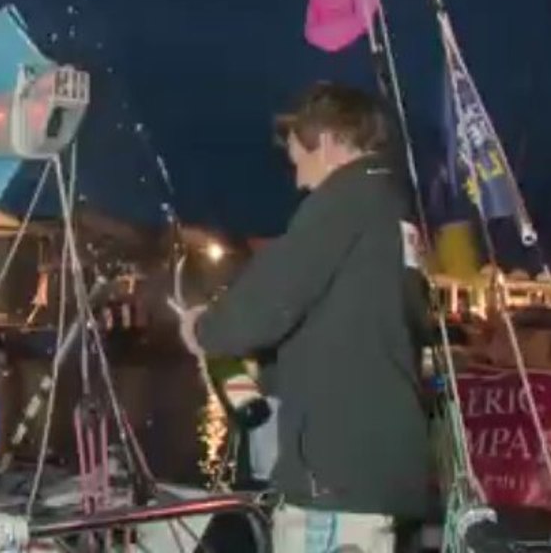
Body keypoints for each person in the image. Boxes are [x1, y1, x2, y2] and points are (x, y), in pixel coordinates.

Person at [176, 81, 432, 552]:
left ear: (331, 143)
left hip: (335, 483)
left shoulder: (346, 198)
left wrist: (205, 330)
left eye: (299, 160)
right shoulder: (393, 212)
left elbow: (268, 302)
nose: (299, 182)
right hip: (378, 476)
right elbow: (373, 329)